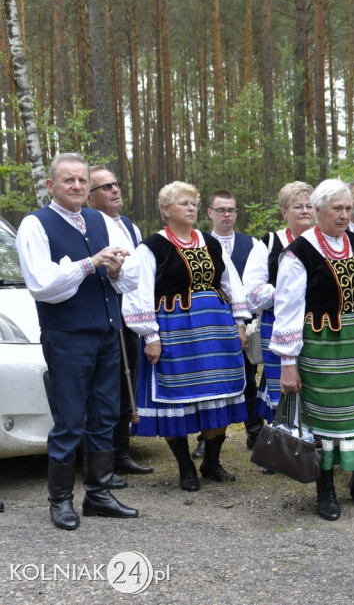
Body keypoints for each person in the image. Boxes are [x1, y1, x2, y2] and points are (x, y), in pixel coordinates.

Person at [17, 152, 139, 529]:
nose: (76, 186)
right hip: (67, 336)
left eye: (82, 181)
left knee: (104, 414)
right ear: (51, 185)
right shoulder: (35, 225)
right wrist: (90, 263)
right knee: (70, 419)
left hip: (106, 332)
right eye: (67, 180)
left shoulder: (100, 219)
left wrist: (117, 271)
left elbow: (132, 278)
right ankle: (60, 500)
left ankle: (99, 495)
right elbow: (43, 286)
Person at [270, 179, 354, 518]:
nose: (346, 215)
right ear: (317, 211)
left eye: (348, 208)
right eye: (337, 209)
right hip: (321, 345)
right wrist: (288, 362)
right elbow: (288, 308)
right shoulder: (299, 252)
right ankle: (325, 491)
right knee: (326, 420)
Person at [123, 182, 250, 492]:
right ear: (166, 210)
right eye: (184, 203)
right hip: (175, 333)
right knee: (175, 398)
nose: (192, 208)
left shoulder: (210, 242)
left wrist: (240, 322)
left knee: (219, 394)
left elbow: (230, 282)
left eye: (194, 202)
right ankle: (185, 467)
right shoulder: (151, 247)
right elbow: (137, 292)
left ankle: (211, 462)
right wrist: (150, 335)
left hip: (217, 333)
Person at [86, 164, 153, 480]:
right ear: (91, 197)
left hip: (132, 311)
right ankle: (104, 457)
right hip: (105, 311)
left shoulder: (129, 225)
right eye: (105, 186)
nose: (115, 190)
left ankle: (123, 451)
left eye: (116, 184)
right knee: (109, 383)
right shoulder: (90, 224)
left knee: (130, 377)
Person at [201, 190, 267, 456]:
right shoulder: (198, 242)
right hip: (210, 320)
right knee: (211, 379)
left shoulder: (251, 244)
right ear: (210, 213)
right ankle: (208, 437)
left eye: (231, 210)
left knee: (249, 376)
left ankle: (255, 432)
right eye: (221, 210)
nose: (226, 215)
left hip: (243, 320)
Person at [244, 181, 315, 430]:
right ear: (284, 212)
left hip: (318, 323)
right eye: (298, 206)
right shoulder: (269, 243)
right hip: (278, 323)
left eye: (310, 205)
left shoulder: (324, 242)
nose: (305, 211)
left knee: (315, 381)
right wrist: (289, 292)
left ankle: (317, 441)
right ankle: (283, 445)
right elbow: (252, 293)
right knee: (282, 380)